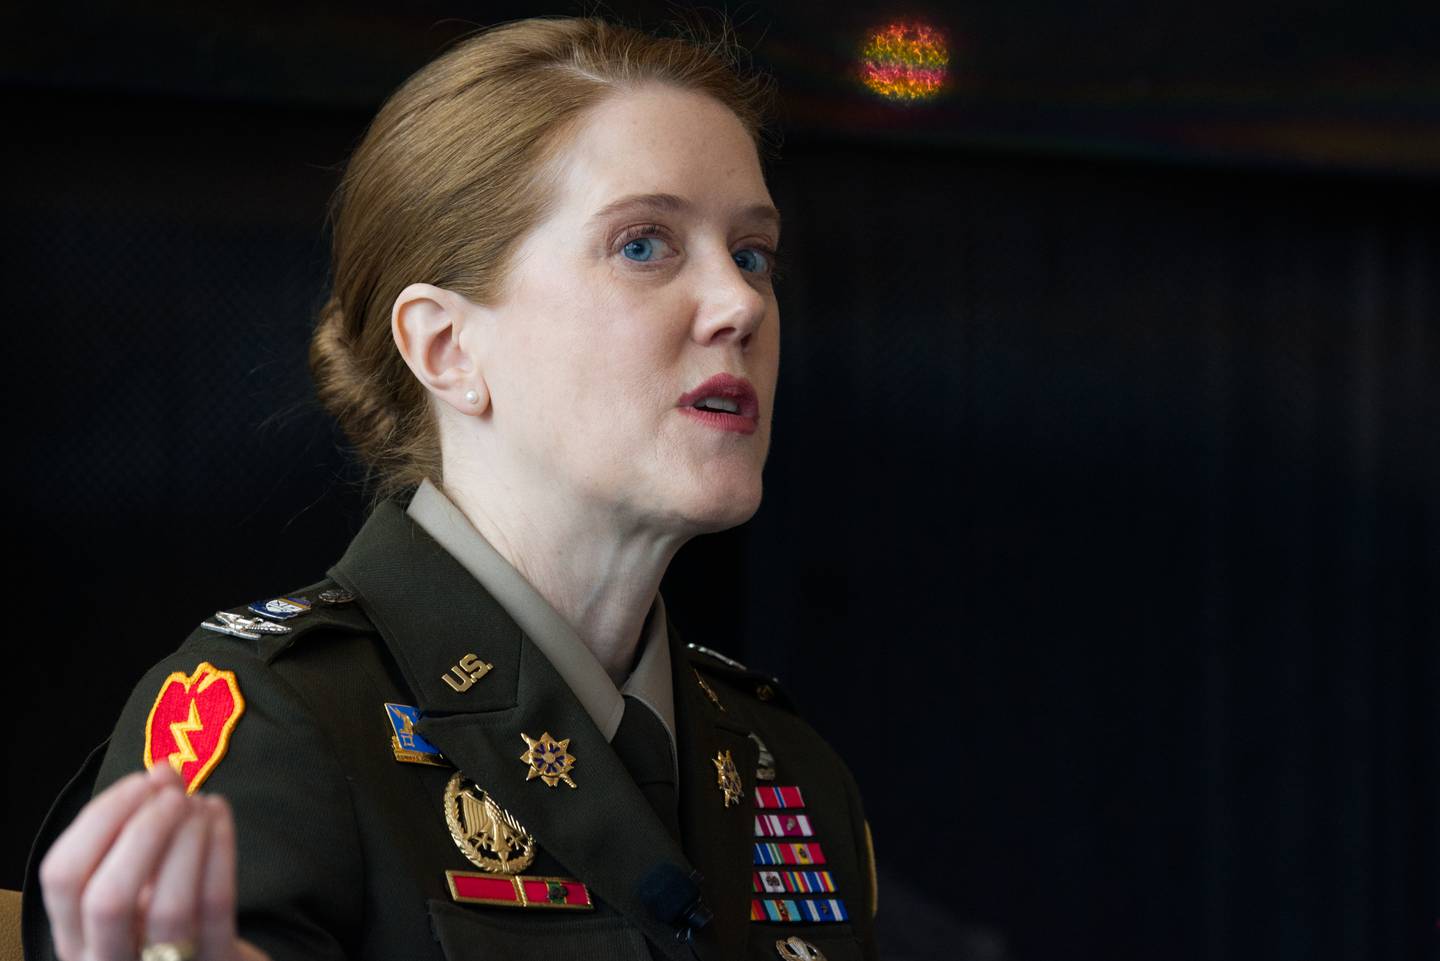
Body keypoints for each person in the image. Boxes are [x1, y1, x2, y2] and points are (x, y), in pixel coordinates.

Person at [22, 14, 879, 961]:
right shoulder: (275, 721)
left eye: (752, 252)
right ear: (446, 348)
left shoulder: (786, 769)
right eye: (644, 244)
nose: (741, 304)